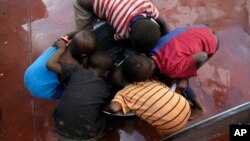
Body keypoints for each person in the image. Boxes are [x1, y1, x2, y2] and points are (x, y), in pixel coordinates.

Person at [121, 24, 218, 119]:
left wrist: (184, 77)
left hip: (211, 43)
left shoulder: (172, 70)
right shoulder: (152, 49)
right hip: (200, 28)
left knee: (181, 81)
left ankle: (199, 108)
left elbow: (203, 56)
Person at [46, 39, 114, 141]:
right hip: (87, 135)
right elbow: (109, 107)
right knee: (110, 117)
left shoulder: (75, 71)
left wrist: (61, 49)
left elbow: (50, 65)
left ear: (88, 64)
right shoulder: (106, 88)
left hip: (60, 128)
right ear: (107, 73)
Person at [106, 67, 191, 135]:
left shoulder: (122, 94)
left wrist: (107, 107)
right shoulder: (146, 81)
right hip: (186, 106)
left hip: (172, 126)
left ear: (115, 88)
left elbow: (114, 108)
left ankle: (164, 132)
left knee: (158, 132)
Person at [24, 29, 97, 99]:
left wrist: (83, 32)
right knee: (71, 91)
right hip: (39, 90)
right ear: (84, 55)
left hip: (28, 74)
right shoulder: (73, 66)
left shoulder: (61, 43)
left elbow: (69, 34)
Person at [73, 0, 170, 53]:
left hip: (121, 5)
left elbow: (164, 23)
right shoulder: (122, 31)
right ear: (129, 35)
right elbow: (118, 40)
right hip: (85, 3)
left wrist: (169, 43)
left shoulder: (146, 4)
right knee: (82, 38)